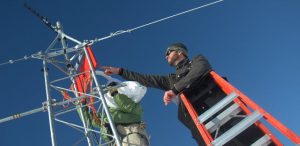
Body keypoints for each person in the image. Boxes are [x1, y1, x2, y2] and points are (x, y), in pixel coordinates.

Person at [102, 42, 266, 145]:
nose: (166, 57)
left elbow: (199, 72)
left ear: (179, 52)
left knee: (249, 138)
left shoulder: (197, 61)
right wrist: (120, 71)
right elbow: (147, 79)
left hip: (223, 109)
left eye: (169, 53)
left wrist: (174, 90)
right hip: (199, 124)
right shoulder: (170, 79)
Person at [80, 80, 150, 146]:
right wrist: (81, 105)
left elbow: (126, 105)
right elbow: (89, 120)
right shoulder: (108, 116)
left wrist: (115, 93)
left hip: (133, 138)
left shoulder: (135, 111)